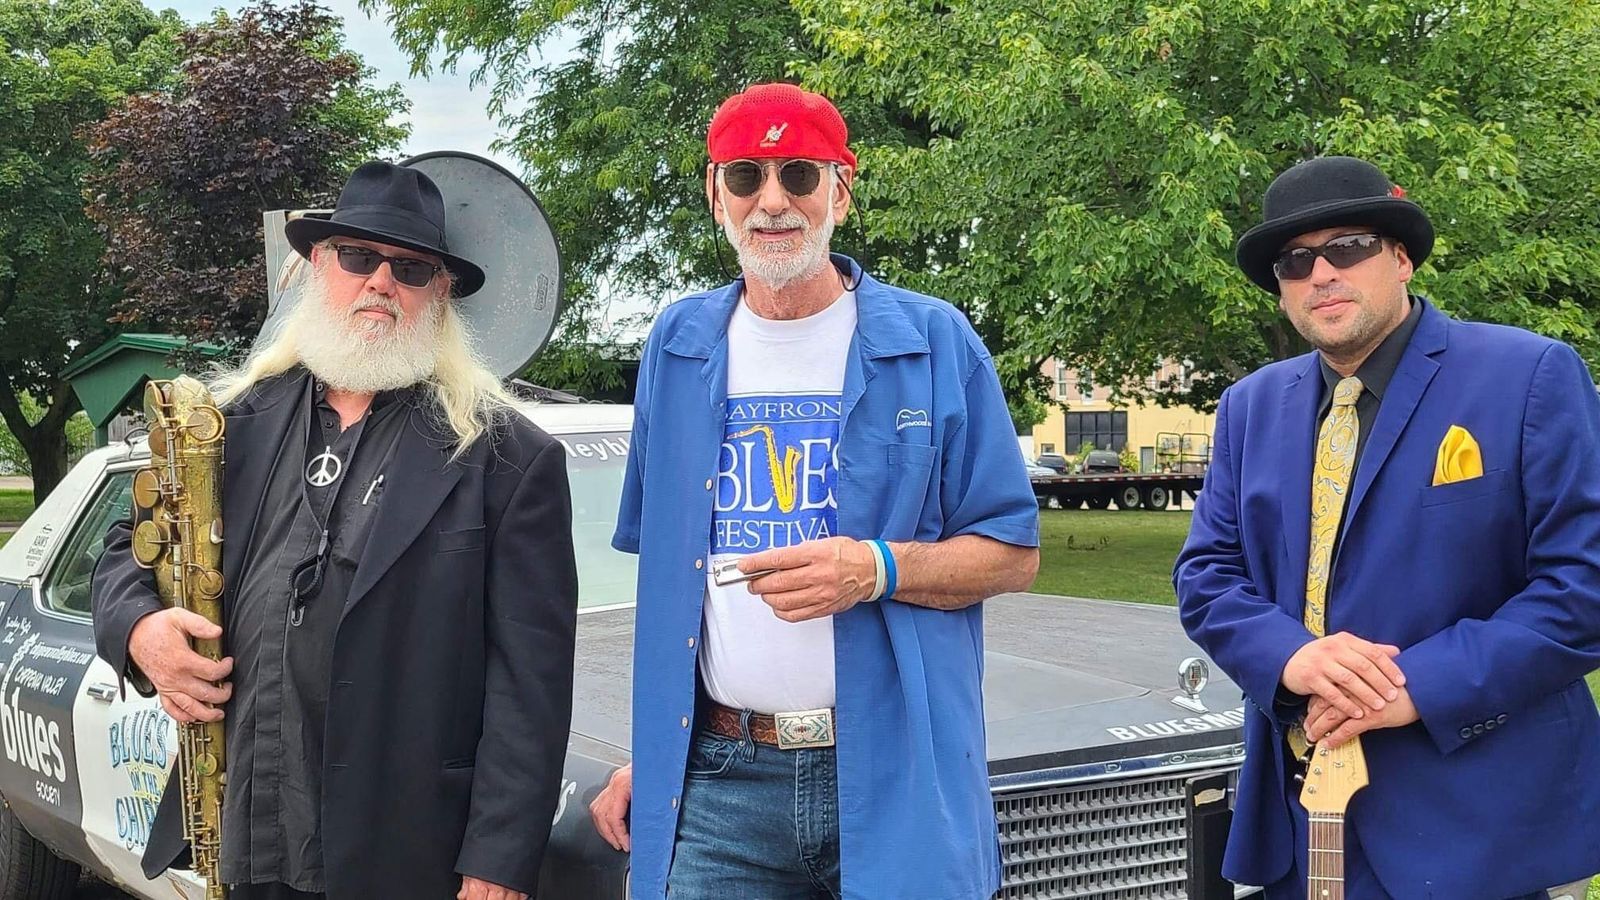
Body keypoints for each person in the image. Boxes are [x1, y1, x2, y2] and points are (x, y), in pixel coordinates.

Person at [586, 83, 1040, 899]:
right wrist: (657, 757)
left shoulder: (933, 340)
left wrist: (876, 569)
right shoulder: (677, 344)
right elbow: (675, 588)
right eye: (745, 176)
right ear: (714, 195)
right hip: (720, 786)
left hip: (897, 777)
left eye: (798, 174)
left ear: (841, 191)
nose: (772, 201)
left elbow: (1013, 555)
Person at [92, 161, 579, 900]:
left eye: (410, 269)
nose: (381, 282)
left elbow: (531, 682)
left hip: (409, 849)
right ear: (319, 266)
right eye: (358, 256)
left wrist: (498, 859)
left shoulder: (508, 457)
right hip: (250, 823)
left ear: (440, 294)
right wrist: (139, 630)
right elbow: (127, 547)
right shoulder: (235, 421)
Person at [1174, 155, 1600, 899]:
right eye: (1295, 261)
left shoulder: (1529, 375)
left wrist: (1413, 688)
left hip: (1472, 829)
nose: (1321, 273)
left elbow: (1583, 584)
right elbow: (1207, 574)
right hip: (1298, 823)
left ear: (1401, 259)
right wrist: (1291, 658)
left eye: (1348, 247)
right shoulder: (1248, 406)